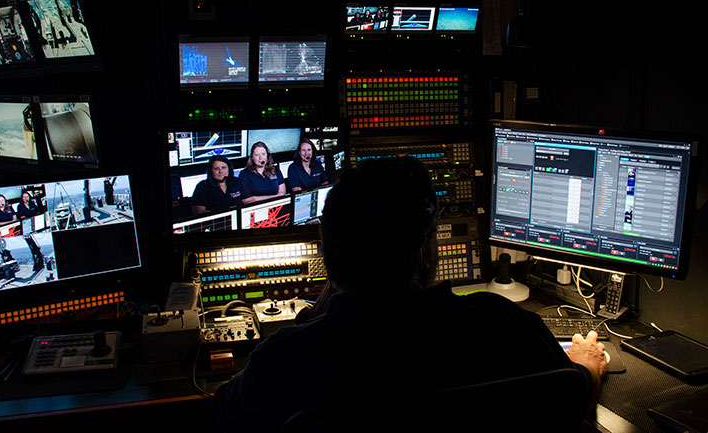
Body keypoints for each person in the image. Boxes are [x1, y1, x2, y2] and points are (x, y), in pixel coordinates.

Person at [214, 157, 607, 432]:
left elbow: (224, 416)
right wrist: (587, 362)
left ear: (328, 249)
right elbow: (571, 390)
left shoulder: (285, 358)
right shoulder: (500, 321)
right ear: (425, 247)